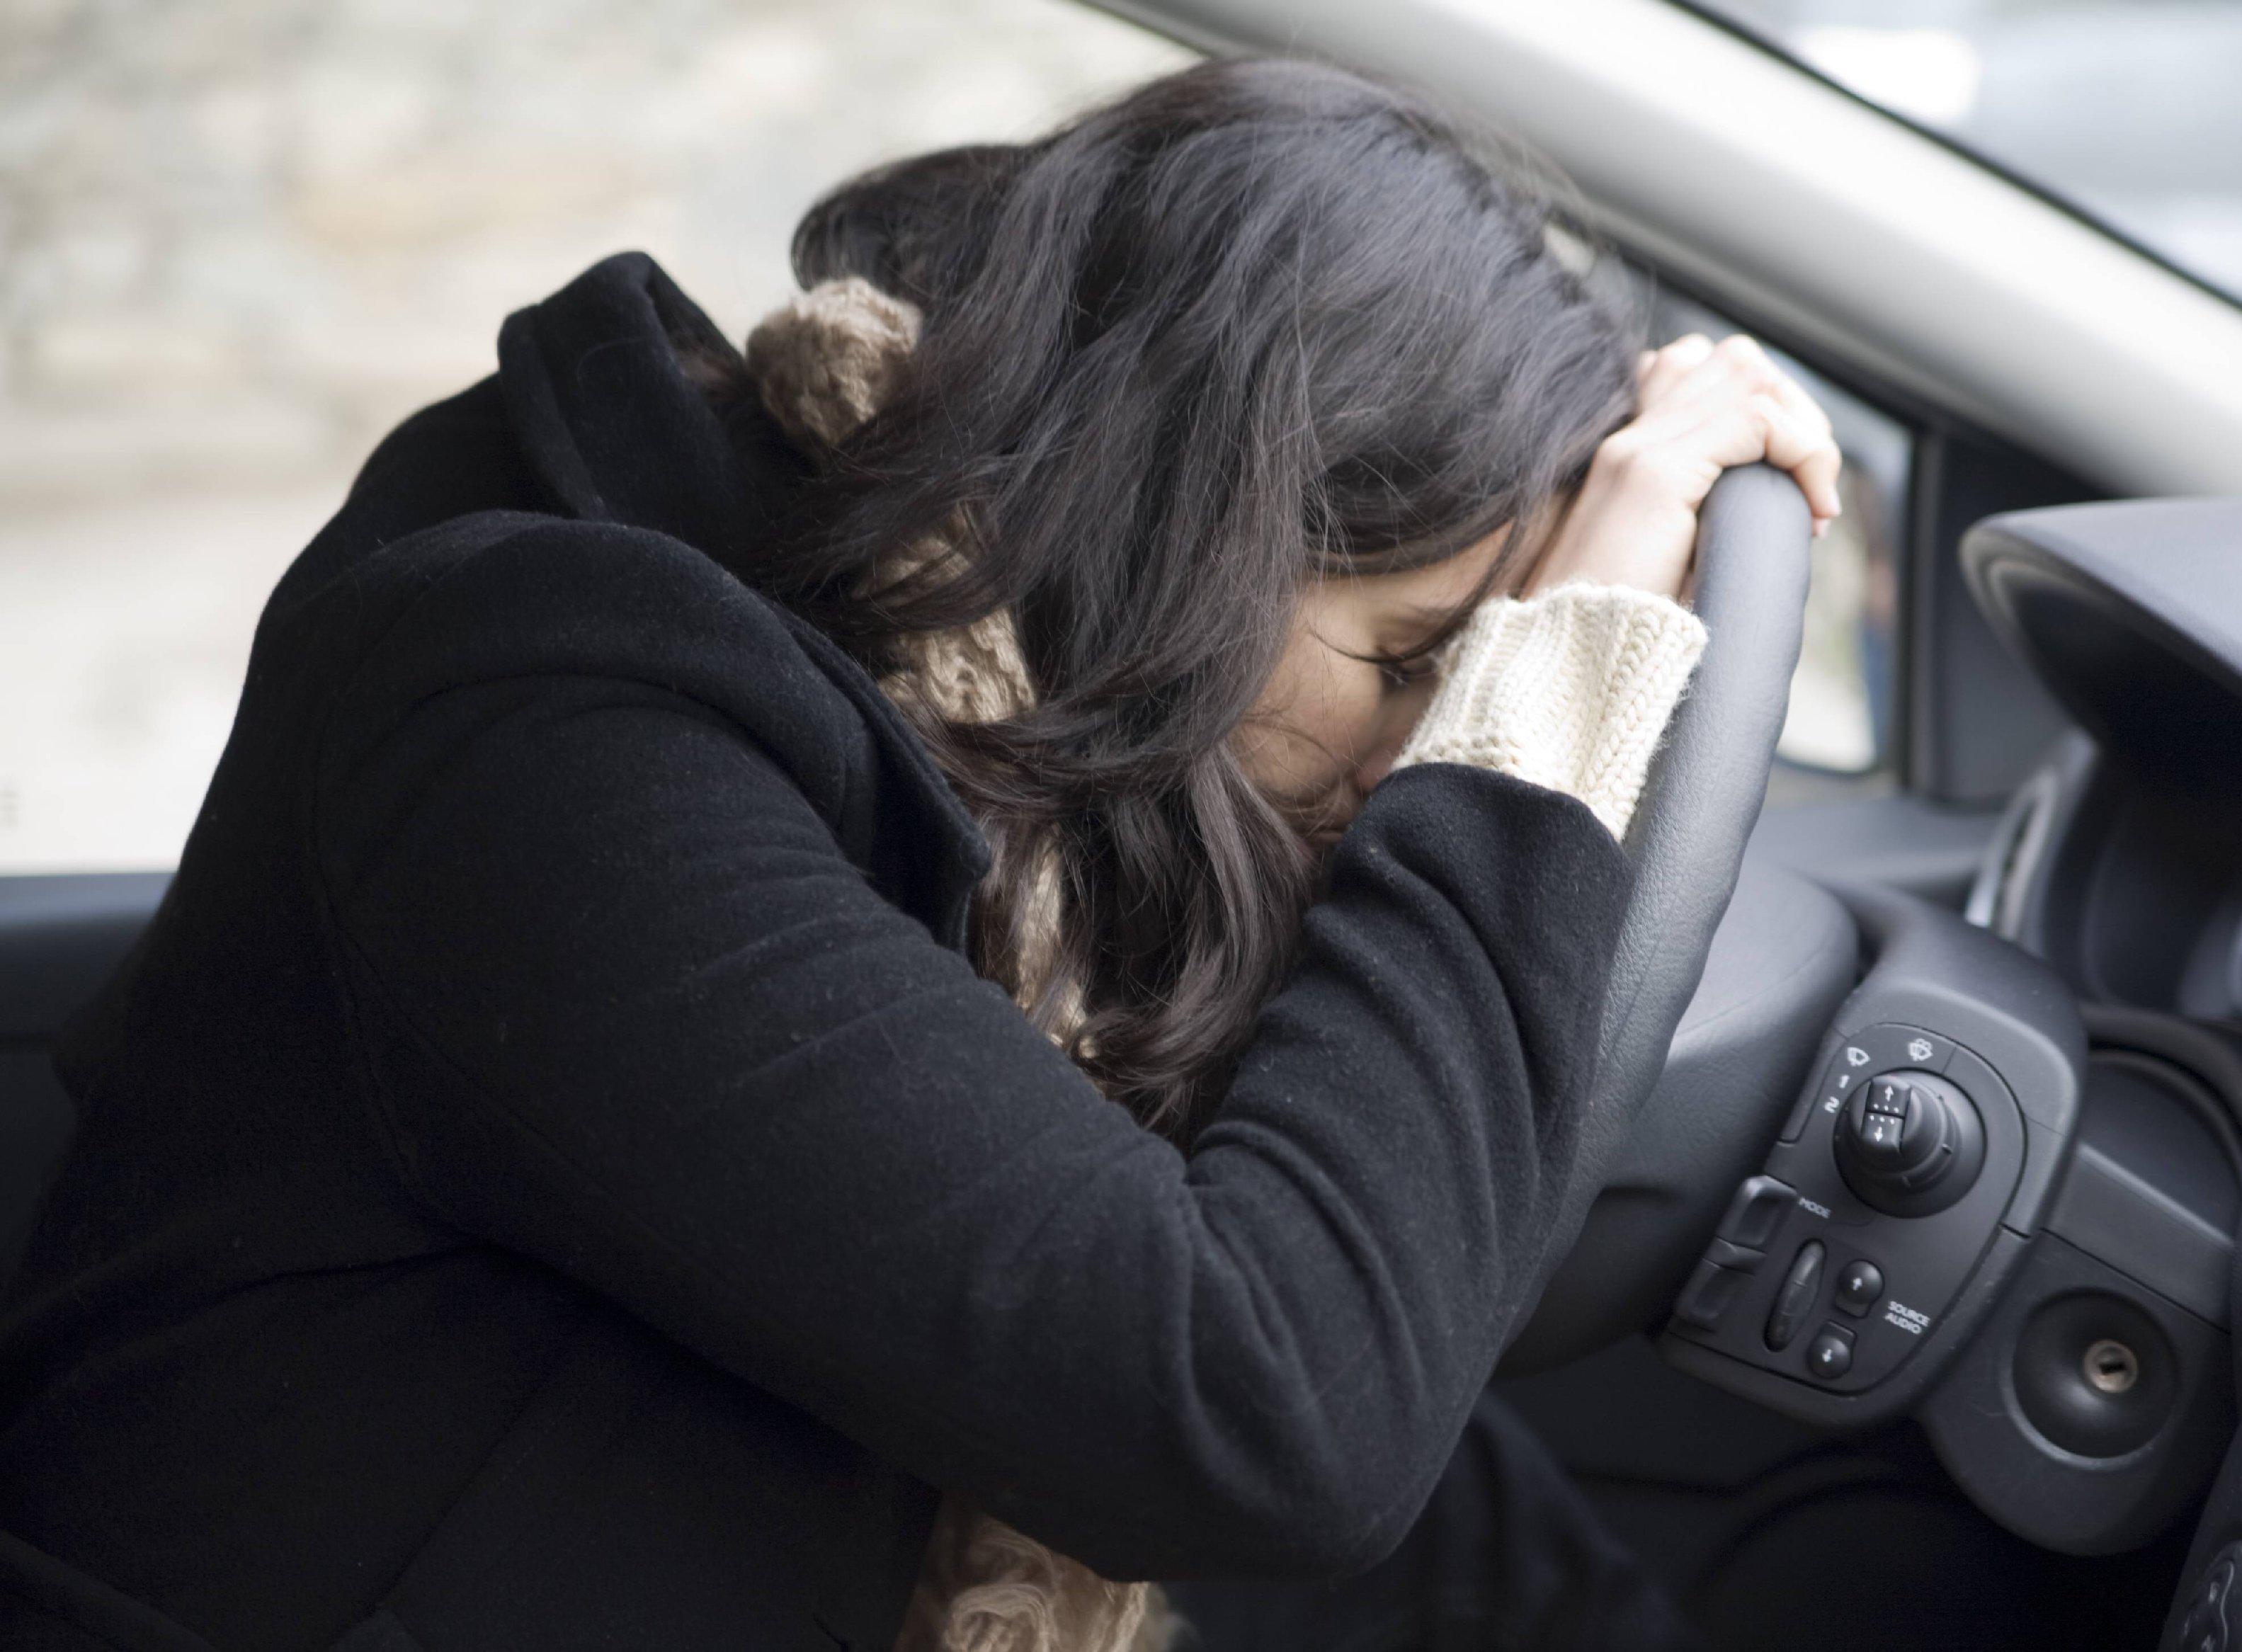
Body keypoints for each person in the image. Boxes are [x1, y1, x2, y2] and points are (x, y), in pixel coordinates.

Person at [0, 57, 1838, 1652]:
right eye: (1415, 664)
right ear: (1195, 518)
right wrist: (1534, 739)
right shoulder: (541, 711)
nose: (1411, 764)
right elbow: (1264, 1411)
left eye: (1466, 699)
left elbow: (1402, 1468)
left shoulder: (1042, 820)